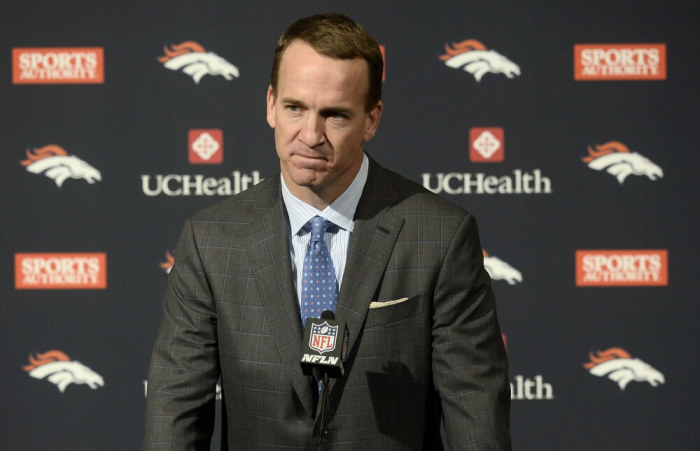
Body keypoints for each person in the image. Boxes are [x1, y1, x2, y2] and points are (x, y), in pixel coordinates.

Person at [144, 13, 510, 450]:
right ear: (270, 104)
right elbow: (176, 408)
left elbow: (475, 411)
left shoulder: (440, 235)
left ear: (371, 120)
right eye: (295, 108)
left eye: (334, 115)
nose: (310, 134)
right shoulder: (211, 241)